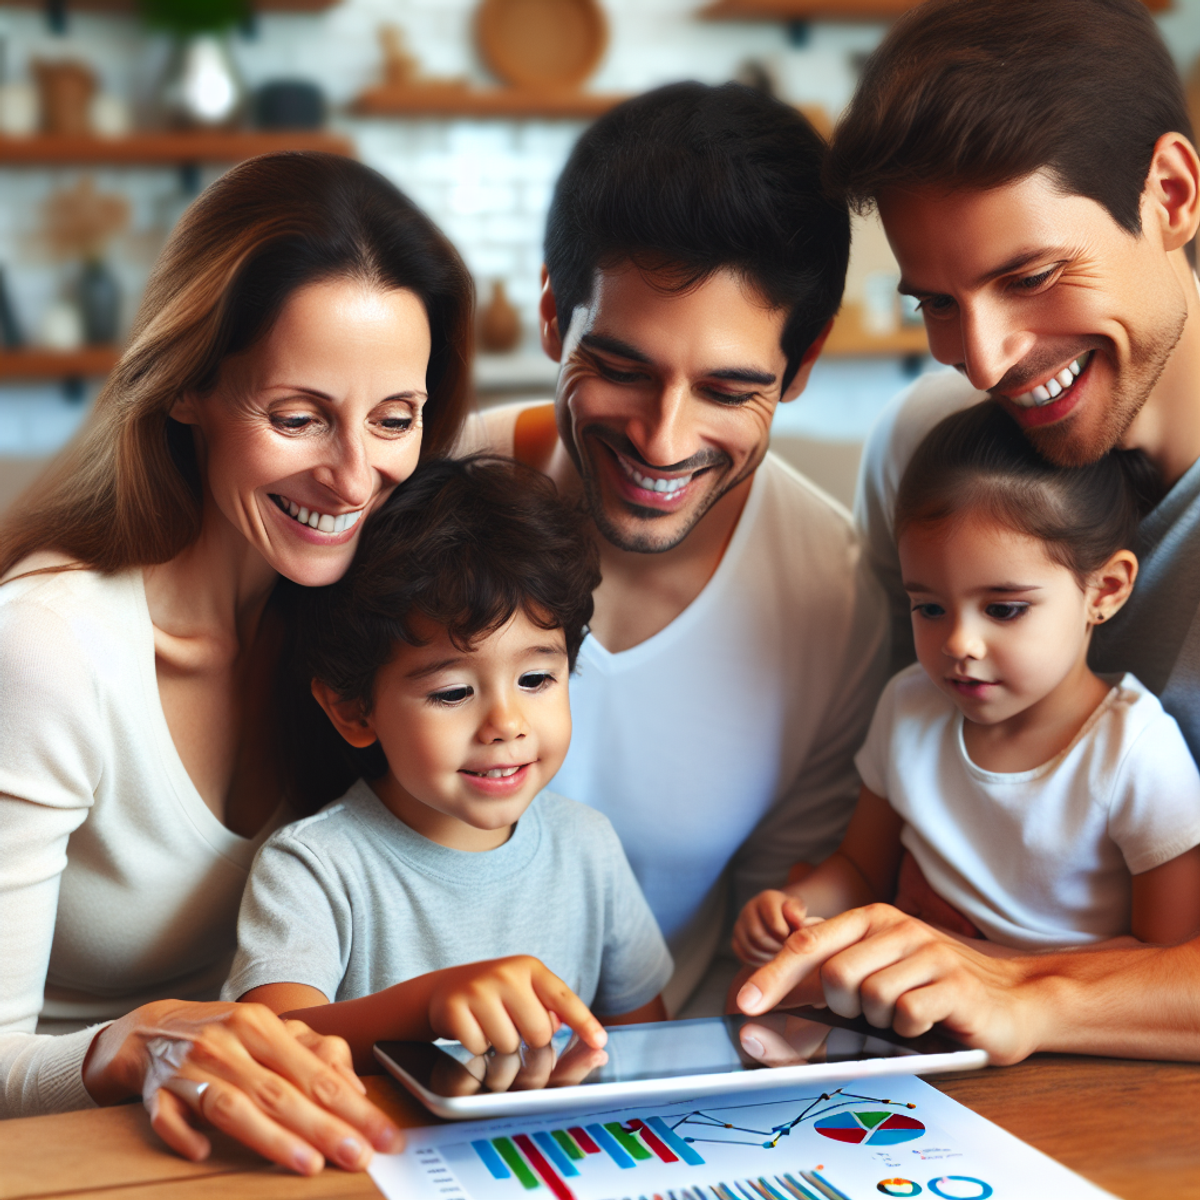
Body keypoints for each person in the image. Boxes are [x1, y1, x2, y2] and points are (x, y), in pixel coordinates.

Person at [736, 0, 1200, 1064]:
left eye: (1031, 278)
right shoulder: (928, 444)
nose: (985, 361)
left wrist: (1027, 996)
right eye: (936, 303)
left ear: (1170, 195)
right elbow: (904, 808)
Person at [0, 152, 474, 1169]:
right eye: (298, 416)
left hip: (281, 1146)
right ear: (188, 391)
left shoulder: (369, 621)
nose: (355, 477)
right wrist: (135, 1042)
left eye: (396, 418)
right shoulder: (48, 647)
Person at [459, 81, 889, 1014]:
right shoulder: (426, 491)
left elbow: (772, 948)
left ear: (803, 366)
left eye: (730, 392)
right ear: (550, 314)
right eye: (620, 369)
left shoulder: (838, 604)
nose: (662, 441)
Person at [223, 456, 671, 1073]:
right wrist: (426, 1006)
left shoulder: (588, 847)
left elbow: (650, 1053)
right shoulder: (316, 868)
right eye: (453, 693)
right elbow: (266, 1045)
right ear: (354, 711)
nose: (506, 724)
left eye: (538, 678)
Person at [734, 402, 1200, 971]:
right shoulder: (908, 708)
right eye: (929, 607)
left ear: (1103, 590)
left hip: (1069, 1039)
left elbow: (1166, 960)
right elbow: (860, 869)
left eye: (1003, 609)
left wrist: (971, 961)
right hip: (916, 1011)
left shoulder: (1137, 755)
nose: (959, 643)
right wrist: (797, 910)